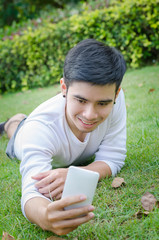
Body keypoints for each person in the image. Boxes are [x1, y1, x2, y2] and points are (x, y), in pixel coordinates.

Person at [0, 39, 127, 236]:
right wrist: (44, 216)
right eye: (81, 100)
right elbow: (31, 193)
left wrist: (75, 172)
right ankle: (13, 123)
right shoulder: (38, 130)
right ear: (64, 88)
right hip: (26, 134)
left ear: (116, 93)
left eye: (102, 103)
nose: (90, 115)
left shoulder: (116, 100)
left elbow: (114, 157)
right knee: (16, 133)